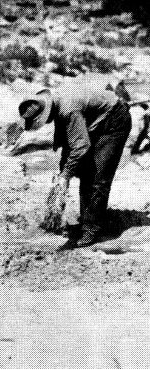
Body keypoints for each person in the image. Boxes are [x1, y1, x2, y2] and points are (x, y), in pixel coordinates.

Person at [19, 83, 132, 247]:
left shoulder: (68, 109)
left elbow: (80, 146)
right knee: (85, 172)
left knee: (98, 177)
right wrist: (62, 174)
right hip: (97, 122)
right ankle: (87, 221)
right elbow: (67, 141)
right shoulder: (57, 104)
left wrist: (65, 175)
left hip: (114, 121)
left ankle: (92, 228)